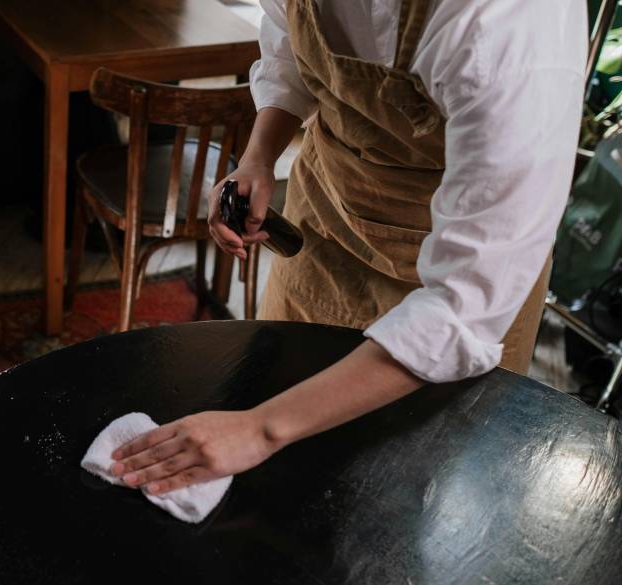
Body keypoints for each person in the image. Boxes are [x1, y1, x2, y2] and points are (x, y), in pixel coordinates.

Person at [108, 0, 587, 495]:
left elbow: (460, 312)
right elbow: (290, 39)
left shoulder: (508, 24)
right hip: (327, 214)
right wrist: (258, 157)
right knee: (282, 458)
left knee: (414, 487)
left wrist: (260, 429)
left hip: (446, 262)